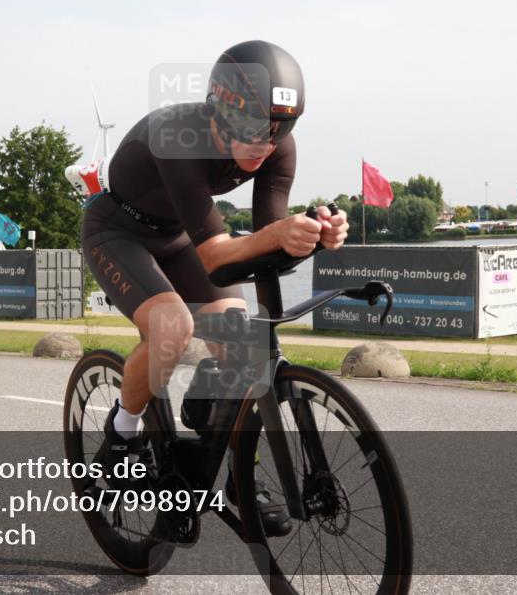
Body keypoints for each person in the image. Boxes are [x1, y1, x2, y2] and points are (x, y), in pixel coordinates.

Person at [81, 40, 348, 536]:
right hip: (117, 231)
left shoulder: (276, 143)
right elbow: (214, 252)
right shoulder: (176, 133)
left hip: (179, 236)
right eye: (251, 132)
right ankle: (120, 436)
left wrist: (313, 236)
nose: (263, 146)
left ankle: (221, 471)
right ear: (220, 111)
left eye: (277, 133)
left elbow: (269, 240)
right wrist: (276, 234)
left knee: (240, 339)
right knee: (170, 326)